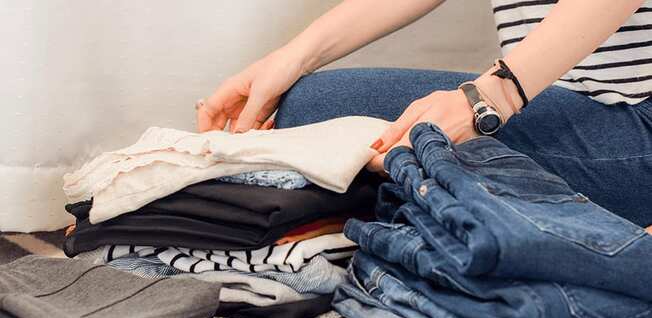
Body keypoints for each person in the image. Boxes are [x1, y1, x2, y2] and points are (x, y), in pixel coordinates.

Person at [196, 0, 652, 229]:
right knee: (303, 105)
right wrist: (291, 58)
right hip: (575, 107)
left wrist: (491, 98)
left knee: (314, 114)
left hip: (635, 126)